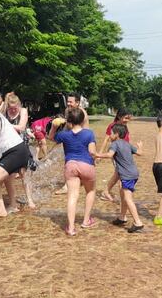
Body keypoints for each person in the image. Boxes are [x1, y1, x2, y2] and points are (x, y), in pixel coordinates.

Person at [48, 107, 98, 236]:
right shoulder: (89, 133)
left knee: (72, 196)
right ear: (82, 120)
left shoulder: (64, 134)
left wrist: (54, 126)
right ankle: (86, 221)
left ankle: (70, 228)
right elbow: (92, 152)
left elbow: (51, 137)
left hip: (70, 166)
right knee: (91, 191)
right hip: (86, 164)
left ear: (69, 121)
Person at [95, 123, 145, 233]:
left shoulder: (115, 144)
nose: (109, 135)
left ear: (116, 134)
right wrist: (140, 146)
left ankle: (138, 222)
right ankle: (122, 217)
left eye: (111, 133)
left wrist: (96, 154)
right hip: (134, 173)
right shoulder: (127, 144)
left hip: (127, 175)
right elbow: (140, 153)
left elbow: (109, 155)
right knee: (123, 196)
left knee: (128, 198)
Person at [54, 92, 90, 195]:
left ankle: (67, 186)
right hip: (72, 137)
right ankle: (77, 180)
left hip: (82, 139)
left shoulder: (82, 113)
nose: (68, 104)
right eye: (68, 101)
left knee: (73, 160)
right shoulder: (67, 110)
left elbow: (74, 127)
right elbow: (68, 127)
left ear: (77, 103)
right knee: (69, 160)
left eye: (71, 102)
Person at [5, 93, 37, 209]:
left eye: (15, 107)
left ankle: (29, 199)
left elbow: (22, 127)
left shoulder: (23, 111)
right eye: (10, 108)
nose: (13, 110)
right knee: (8, 176)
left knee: (24, 174)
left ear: (19, 104)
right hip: (8, 146)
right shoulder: (4, 110)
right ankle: (12, 202)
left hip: (22, 145)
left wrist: (5, 125)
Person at [100, 108, 132, 202]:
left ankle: (106, 192)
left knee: (118, 174)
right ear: (119, 116)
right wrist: (100, 154)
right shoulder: (113, 126)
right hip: (117, 154)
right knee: (121, 174)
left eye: (129, 118)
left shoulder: (124, 126)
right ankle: (123, 198)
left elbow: (127, 140)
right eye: (126, 118)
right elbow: (106, 139)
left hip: (124, 154)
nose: (127, 120)